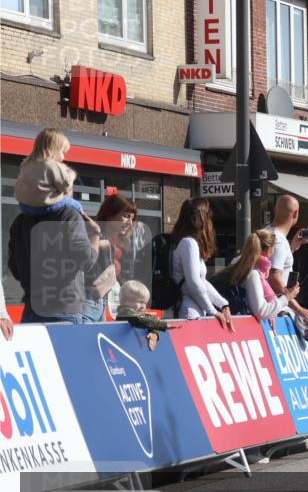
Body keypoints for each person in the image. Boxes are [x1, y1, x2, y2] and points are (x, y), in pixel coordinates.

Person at [8, 129, 101, 324]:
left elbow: (14, 268)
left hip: (32, 309)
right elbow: (86, 261)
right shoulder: (68, 216)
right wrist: (95, 236)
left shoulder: (20, 221)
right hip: (63, 311)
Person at [170, 198, 233, 329]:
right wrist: (213, 310)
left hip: (193, 309)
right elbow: (193, 283)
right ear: (202, 218)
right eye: (208, 214)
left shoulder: (186, 242)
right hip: (189, 311)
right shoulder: (189, 243)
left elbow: (201, 281)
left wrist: (223, 304)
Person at [218, 230, 298, 321]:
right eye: (274, 248)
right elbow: (261, 311)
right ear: (268, 250)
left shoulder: (239, 264)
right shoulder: (254, 274)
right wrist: (287, 297)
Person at [266, 194, 308, 326]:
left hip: (270, 309)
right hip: (276, 312)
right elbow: (273, 278)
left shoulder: (267, 232)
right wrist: (298, 308)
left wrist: (293, 246)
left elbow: (271, 264)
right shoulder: (279, 242)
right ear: (296, 213)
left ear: (275, 210)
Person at [14, 128, 83, 216]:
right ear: (54, 149)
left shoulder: (27, 164)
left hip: (24, 207)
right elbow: (66, 186)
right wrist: (71, 173)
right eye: (63, 152)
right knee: (76, 205)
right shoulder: (51, 164)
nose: (63, 158)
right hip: (43, 207)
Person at [116, 280, 182, 351]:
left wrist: (154, 333)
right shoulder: (124, 314)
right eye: (140, 302)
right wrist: (163, 325)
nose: (144, 307)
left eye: (145, 303)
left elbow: (152, 318)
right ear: (126, 301)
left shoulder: (139, 315)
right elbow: (137, 320)